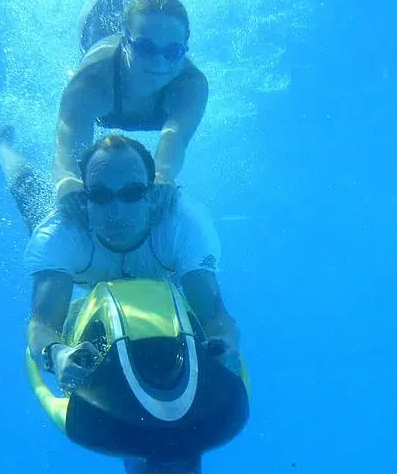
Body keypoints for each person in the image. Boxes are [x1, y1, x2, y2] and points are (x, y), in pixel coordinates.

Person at [25, 133, 240, 396]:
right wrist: (56, 354)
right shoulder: (60, 232)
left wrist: (226, 346)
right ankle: (1, 148)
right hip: (83, 274)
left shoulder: (182, 226)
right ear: (84, 198)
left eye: (132, 193)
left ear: (152, 194)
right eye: (100, 195)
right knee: (31, 204)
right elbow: (43, 326)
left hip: (144, 281)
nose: (117, 212)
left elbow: (215, 318)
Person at [0, 0, 208, 231]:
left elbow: (174, 143)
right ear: (124, 41)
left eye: (172, 52)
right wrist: (67, 183)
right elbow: (66, 153)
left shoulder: (190, 86)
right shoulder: (91, 82)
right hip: (98, 22)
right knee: (62, 207)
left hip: (131, 33)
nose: (159, 63)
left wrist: (163, 178)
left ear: (184, 49)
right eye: (145, 48)